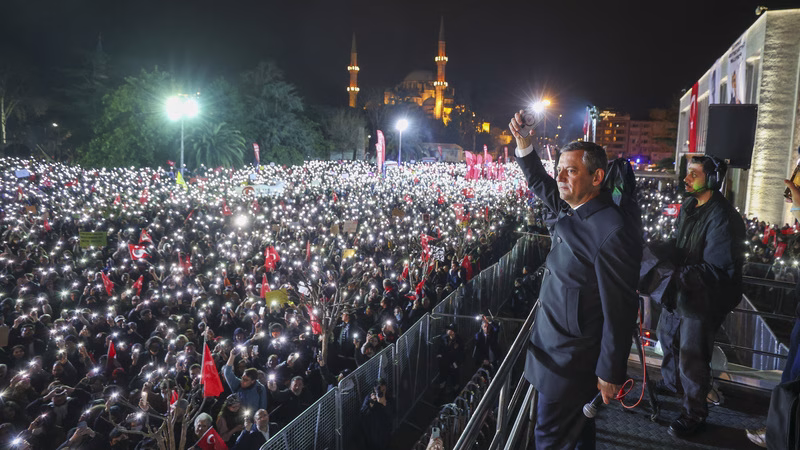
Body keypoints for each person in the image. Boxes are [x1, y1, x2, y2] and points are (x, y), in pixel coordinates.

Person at [509, 112, 642, 449]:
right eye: (559, 170)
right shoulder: (575, 207)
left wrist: (610, 371)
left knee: (551, 439)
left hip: (570, 361)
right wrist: (524, 143)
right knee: (577, 437)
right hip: (557, 352)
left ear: (597, 177)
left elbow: (621, 307)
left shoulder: (611, 229)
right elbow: (540, 182)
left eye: (570, 171)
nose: (560, 177)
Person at [654, 155, 745, 437]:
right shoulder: (689, 206)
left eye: (694, 174)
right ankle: (673, 385)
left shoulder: (723, 218)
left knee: (692, 358)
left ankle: (694, 413)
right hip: (681, 288)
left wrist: (674, 272)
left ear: (713, 180)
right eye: (687, 172)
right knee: (666, 337)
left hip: (704, 297)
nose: (686, 178)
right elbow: (682, 245)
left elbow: (717, 270)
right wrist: (657, 252)